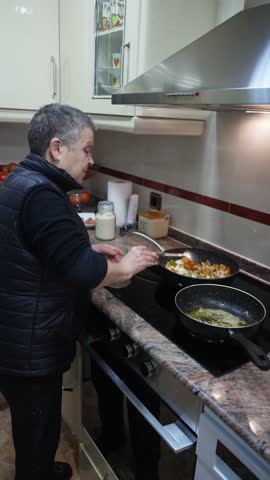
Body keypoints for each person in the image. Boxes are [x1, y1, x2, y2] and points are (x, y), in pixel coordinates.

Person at [0, 103, 158, 480]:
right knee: (38, 431)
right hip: (31, 347)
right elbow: (84, 273)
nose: (91, 158)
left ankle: (38, 467)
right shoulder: (42, 195)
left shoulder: (22, 181)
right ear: (57, 148)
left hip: (16, 333)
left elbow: (39, 249)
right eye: (86, 148)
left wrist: (84, 249)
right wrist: (129, 263)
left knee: (32, 428)